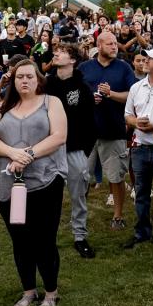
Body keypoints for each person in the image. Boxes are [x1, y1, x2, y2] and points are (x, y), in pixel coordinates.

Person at [0, 59, 68, 306]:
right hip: (10, 185)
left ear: (38, 79)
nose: (24, 81)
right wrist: (12, 152)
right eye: (20, 76)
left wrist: (28, 154)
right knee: (20, 239)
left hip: (45, 182)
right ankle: (28, 290)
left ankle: (51, 293)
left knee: (44, 239)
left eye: (30, 76)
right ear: (13, 79)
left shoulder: (51, 102)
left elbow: (59, 136)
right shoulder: (3, 106)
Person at [79, 31, 137, 230]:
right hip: (86, 131)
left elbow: (133, 95)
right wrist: (88, 99)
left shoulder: (123, 68)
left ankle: (118, 215)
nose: (114, 47)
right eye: (110, 44)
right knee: (80, 176)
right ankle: (79, 215)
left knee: (116, 176)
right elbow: (73, 95)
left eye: (115, 43)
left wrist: (110, 94)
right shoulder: (84, 67)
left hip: (114, 129)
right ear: (99, 45)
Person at [45, 43, 98, 258]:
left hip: (75, 150)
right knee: (48, 197)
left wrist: (84, 151)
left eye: (62, 52)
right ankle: (47, 238)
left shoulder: (82, 87)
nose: (56, 54)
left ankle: (79, 237)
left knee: (78, 197)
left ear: (73, 59)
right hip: (48, 151)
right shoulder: (46, 84)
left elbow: (89, 123)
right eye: (55, 51)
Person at [123, 47, 153, 249]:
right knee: (141, 192)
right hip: (140, 146)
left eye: (150, 58)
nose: (145, 61)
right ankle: (142, 231)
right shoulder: (136, 87)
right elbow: (127, 114)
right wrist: (135, 123)